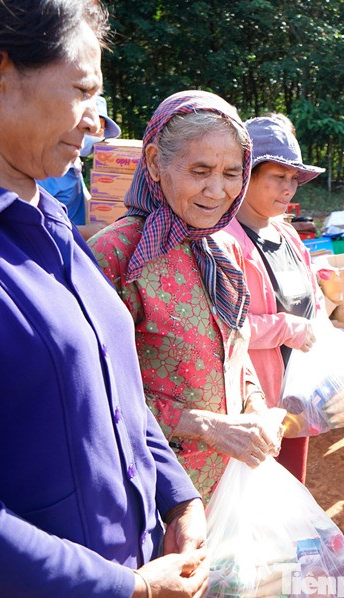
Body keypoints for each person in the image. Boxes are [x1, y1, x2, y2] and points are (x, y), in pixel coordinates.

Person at [0, 2, 209, 597]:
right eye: (82, 90)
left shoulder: (56, 229)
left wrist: (177, 496)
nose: (98, 121)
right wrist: (125, 588)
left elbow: (114, 386)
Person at [89, 91, 282, 504]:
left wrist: (256, 407)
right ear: (157, 163)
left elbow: (234, 350)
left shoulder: (222, 250)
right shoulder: (115, 255)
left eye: (232, 173)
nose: (217, 190)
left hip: (227, 482)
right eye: (200, 170)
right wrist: (204, 425)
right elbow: (95, 389)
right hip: (151, 488)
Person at [223, 115, 327, 483]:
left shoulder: (289, 236)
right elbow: (222, 327)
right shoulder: (224, 241)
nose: (288, 188)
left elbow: (311, 297)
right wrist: (285, 327)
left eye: (293, 179)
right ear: (246, 175)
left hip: (294, 397)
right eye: (277, 177)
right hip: (251, 404)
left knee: (290, 493)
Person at [37, 94, 121, 240]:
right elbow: (38, 224)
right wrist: (83, 231)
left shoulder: (74, 162)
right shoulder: (47, 170)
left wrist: (110, 206)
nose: (96, 134)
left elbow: (82, 195)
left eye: (101, 129)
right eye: (88, 127)